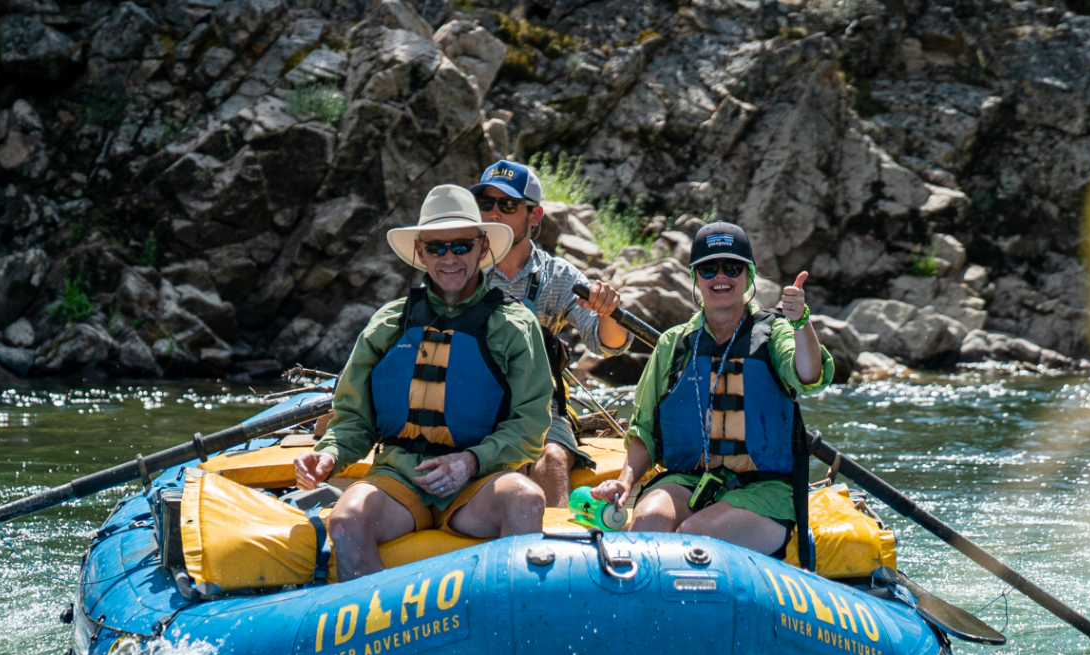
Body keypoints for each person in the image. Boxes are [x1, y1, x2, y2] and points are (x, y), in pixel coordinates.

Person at [293, 185, 555, 582]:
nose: (449, 258)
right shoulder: (389, 323)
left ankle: (507, 632)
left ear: (483, 248)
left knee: (526, 498)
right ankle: (375, 636)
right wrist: (330, 454)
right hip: (400, 479)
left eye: (461, 246)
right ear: (420, 253)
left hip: (479, 483)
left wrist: (471, 461)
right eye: (436, 248)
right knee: (346, 519)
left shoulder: (515, 326)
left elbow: (531, 425)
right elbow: (353, 419)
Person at [591, 222, 833, 567]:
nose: (721, 276)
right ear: (695, 277)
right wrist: (625, 482)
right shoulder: (673, 344)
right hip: (692, 479)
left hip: (764, 490)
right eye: (709, 268)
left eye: (732, 267)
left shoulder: (775, 332)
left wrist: (801, 323)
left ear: (748, 277)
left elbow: (810, 375)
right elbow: (643, 429)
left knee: (692, 534)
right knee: (648, 522)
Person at [471, 160, 633, 508]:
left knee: (551, 458)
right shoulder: (460, 264)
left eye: (508, 205)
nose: (494, 214)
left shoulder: (558, 275)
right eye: (486, 204)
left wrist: (607, 313)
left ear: (534, 215)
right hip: (470, 399)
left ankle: (553, 548)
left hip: (541, 405)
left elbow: (608, 344)